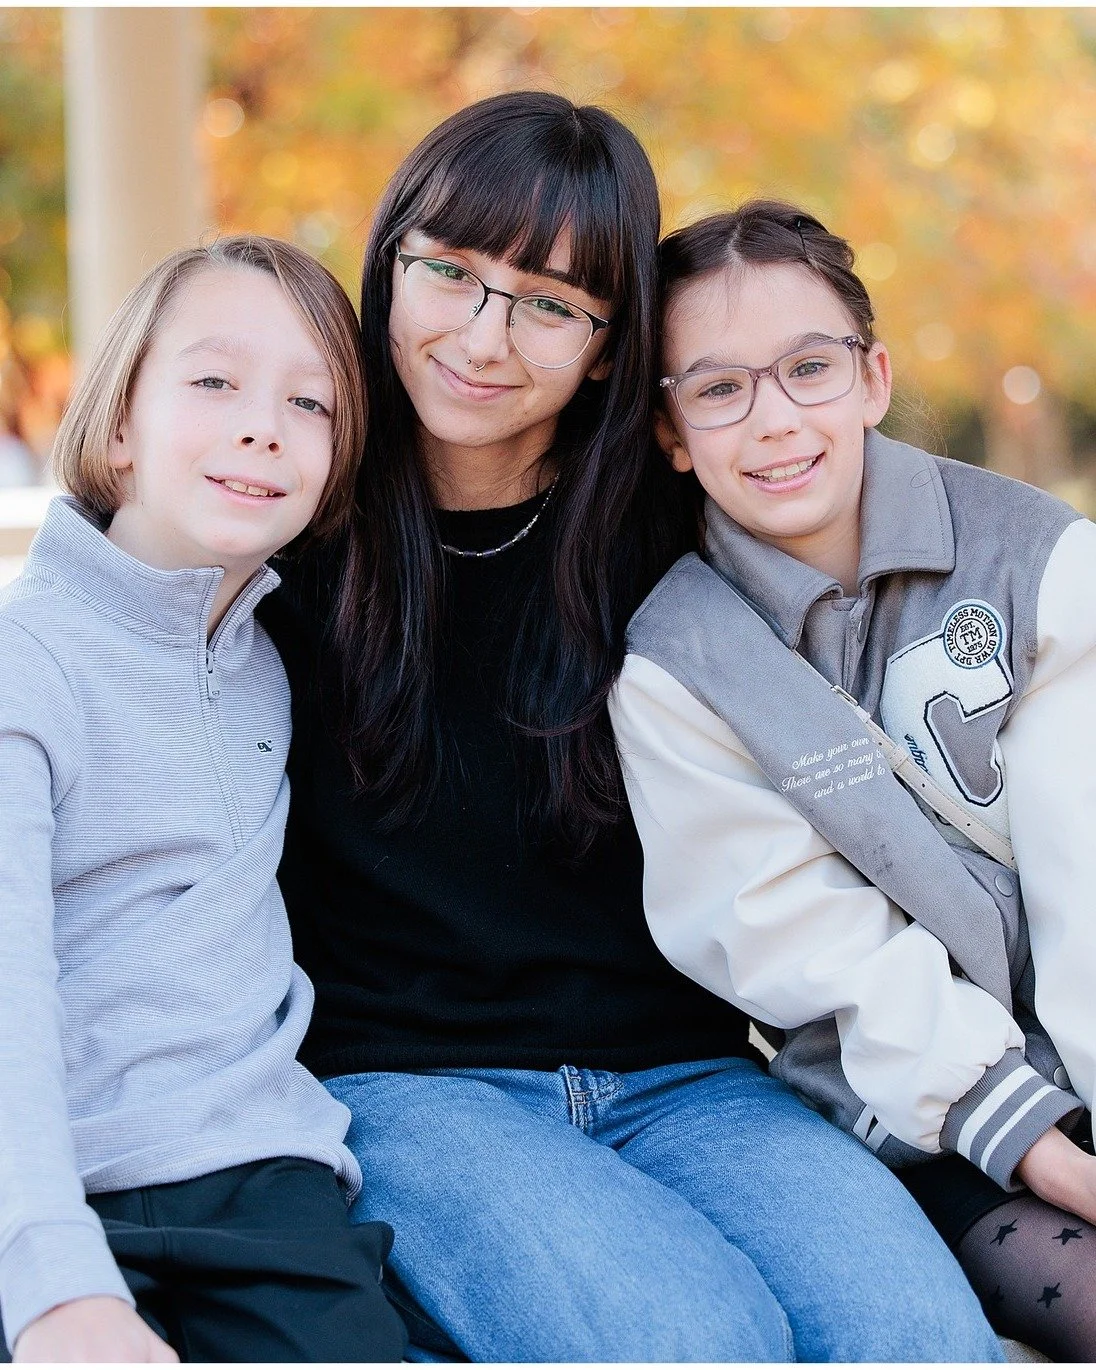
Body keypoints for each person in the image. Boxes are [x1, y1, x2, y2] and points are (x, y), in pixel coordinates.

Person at [265, 95, 1001, 1363]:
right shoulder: (286, 524)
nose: (484, 336)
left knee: (919, 1335)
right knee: (689, 1340)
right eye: (448, 272)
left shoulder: (680, 539)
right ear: (390, 265)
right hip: (408, 1086)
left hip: (692, 1077)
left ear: (612, 349)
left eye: (551, 303)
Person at [610, 198, 1096, 1361]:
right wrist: (1046, 1145)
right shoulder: (680, 663)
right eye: (717, 388)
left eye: (806, 368)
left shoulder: (1036, 557)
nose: (771, 419)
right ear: (670, 431)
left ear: (872, 377)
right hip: (926, 1106)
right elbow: (802, 940)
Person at [0, 236, 407, 1364]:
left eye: (309, 401)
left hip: (269, 1190)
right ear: (120, 424)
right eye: (214, 380)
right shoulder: (26, 661)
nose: (262, 423)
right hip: (56, 1184)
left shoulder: (275, 661)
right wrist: (49, 1281)